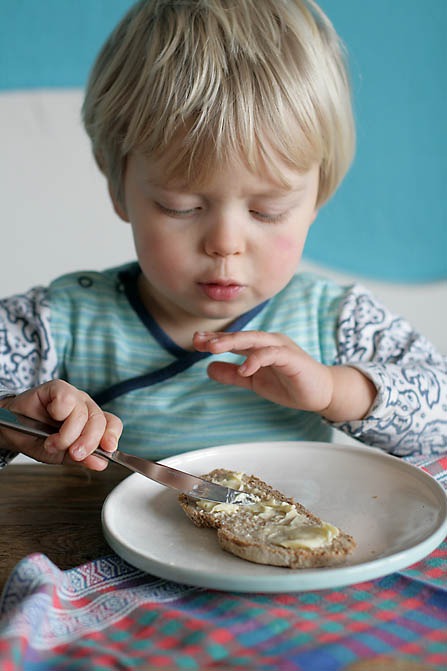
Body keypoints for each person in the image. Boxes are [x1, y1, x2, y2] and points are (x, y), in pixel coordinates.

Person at [0, 0, 446, 472]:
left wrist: (337, 391)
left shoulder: (336, 320)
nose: (225, 244)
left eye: (267, 210)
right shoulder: (61, 320)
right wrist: (14, 417)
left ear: (317, 198)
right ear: (118, 188)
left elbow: (439, 412)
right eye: (182, 206)